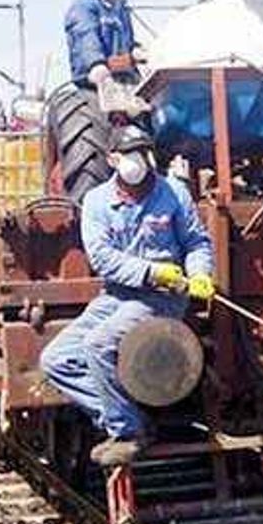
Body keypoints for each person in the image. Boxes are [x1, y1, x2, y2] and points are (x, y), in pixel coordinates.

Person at [40, 125, 215, 466]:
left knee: (98, 345)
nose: (137, 160)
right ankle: (126, 419)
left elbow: (196, 242)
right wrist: (150, 271)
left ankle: (128, 433)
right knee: (56, 360)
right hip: (116, 295)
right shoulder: (97, 201)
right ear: (112, 159)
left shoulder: (173, 192)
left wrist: (199, 273)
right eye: (128, 153)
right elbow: (102, 258)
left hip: (161, 298)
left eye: (142, 151)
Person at [64, 0, 142, 88]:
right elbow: (86, 36)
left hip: (124, 78)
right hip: (94, 81)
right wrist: (96, 63)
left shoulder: (121, 8)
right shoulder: (83, 6)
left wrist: (136, 52)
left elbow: (127, 41)